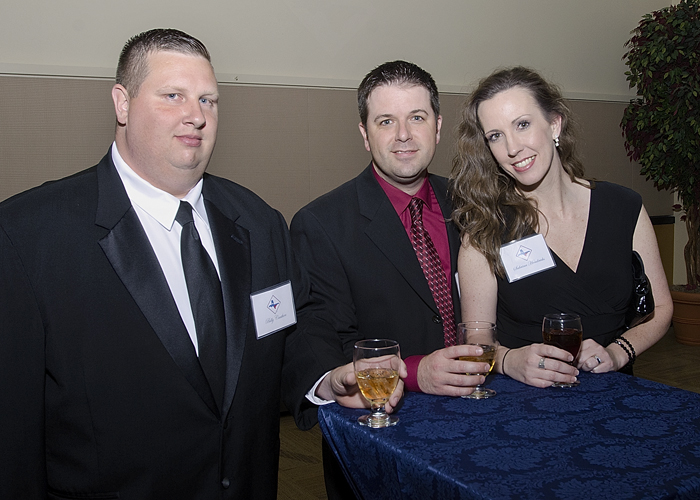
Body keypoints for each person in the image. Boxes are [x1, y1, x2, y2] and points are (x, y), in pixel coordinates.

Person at [0, 28, 380, 499]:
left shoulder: (259, 223)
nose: (196, 116)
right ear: (122, 104)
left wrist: (325, 379)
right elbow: (12, 433)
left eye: (208, 100)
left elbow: (290, 333)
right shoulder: (30, 236)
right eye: (173, 96)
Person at [290, 60, 489, 499]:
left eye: (416, 117)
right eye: (385, 121)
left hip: (485, 424)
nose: (403, 135)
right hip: (385, 443)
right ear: (365, 134)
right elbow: (323, 338)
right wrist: (416, 372)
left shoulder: (473, 204)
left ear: (437, 126)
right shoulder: (322, 224)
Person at [451, 66, 673, 388]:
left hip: (616, 394)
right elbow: (477, 338)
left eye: (522, 125)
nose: (512, 148)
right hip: (525, 398)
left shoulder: (624, 207)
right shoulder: (485, 228)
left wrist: (618, 353)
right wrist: (510, 361)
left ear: (554, 124)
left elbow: (662, 309)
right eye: (495, 136)